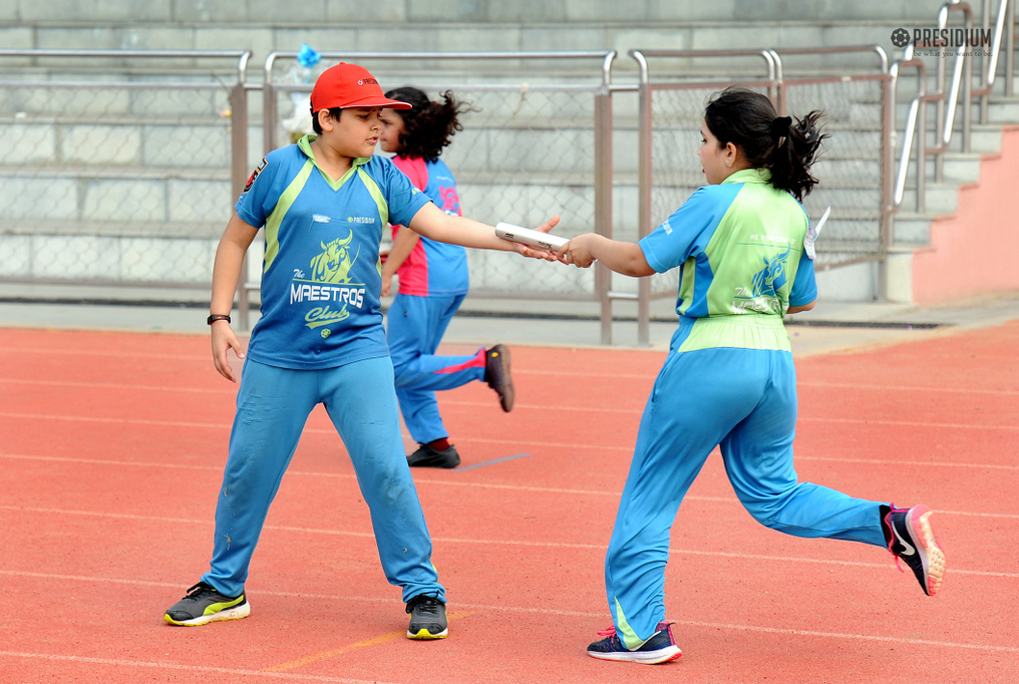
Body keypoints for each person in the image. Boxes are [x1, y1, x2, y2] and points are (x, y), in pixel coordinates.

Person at [162, 62, 559, 640]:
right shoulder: (279, 170)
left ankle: (423, 590)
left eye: (382, 118)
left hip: (358, 353)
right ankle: (225, 585)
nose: (378, 128)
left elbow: (441, 224)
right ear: (326, 118)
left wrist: (517, 241)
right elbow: (235, 240)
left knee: (387, 471)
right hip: (279, 356)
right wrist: (220, 318)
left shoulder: (382, 175)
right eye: (365, 117)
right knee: (247, 473)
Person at [558, 87, 947, 665]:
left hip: (708, 361)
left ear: (732, 151)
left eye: (705, 141)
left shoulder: (713, 200)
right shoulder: (792, 209)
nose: (700, 152)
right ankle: (886, 523)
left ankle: (640, 633)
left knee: (649, 500)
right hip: (773, 366)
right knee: (775, 495)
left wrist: (590, 244)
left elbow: (640, 261)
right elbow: (804, 299)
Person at [377, 87, 509, 470]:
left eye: (386, 122)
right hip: (451, 275)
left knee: (398, 366)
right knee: (414, 363)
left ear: (411, 127)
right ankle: (435, 444)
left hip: (426, 281)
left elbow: (413, 231)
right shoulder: (437, 167)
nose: (378, 129)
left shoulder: (402, 166)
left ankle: (483, 364)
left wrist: (386, 271)